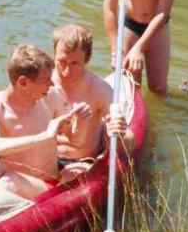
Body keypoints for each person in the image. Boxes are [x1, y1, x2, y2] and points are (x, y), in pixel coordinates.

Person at [0, 45, 88, 199]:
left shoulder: (50, 97)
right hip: (8, 172)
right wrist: (44, 137)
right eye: (46, 80)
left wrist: (80, 121)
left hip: (44, 182)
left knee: (7, 183)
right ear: (23, 82)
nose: (52, 84)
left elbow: (76, 141)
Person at [47, 24, 132, 173]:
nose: (66, 71)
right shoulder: (41, 85)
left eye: (74, 63)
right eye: (62, 61)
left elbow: (131, 142)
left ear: (87, 60)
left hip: (81, 162)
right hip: (46, 159)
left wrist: (120, 133)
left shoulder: (100, 90)